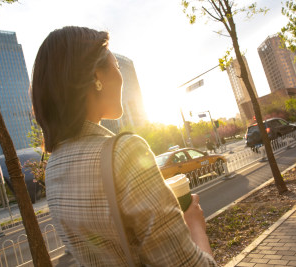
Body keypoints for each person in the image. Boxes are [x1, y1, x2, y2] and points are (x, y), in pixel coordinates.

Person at [31, 26, 216, 266]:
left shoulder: (53, 166)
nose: (121, 76)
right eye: (117, 66)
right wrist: (194, 225)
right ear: (96, 77)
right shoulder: (124, 151)